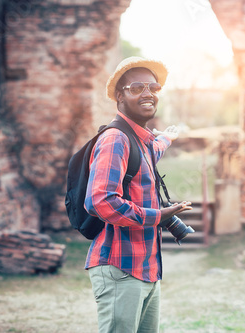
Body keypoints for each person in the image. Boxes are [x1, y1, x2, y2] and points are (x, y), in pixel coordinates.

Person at [84, 57, 192, 333]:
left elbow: (153, 151)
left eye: (153, 87)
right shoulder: (115, 139)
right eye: (137, 87)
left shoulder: (139, 142)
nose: (148, 93)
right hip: (121, 268)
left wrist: (168, 137)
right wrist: (160, 215)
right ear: (120, 95)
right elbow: (101, 201)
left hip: (146, 268)